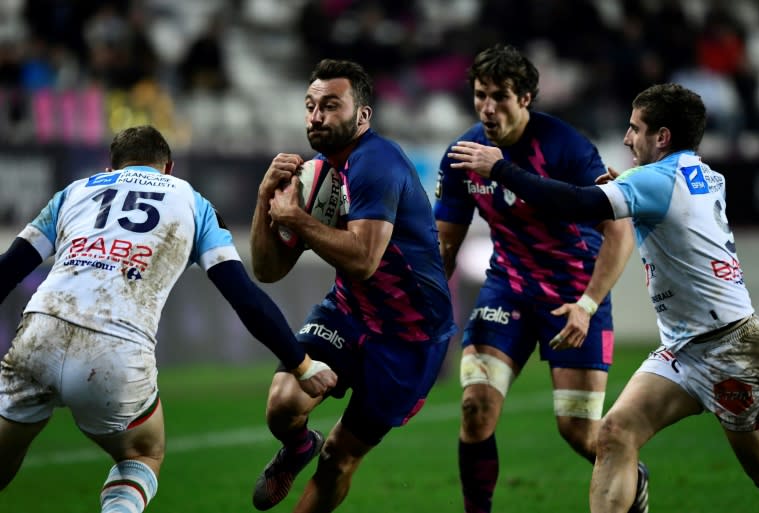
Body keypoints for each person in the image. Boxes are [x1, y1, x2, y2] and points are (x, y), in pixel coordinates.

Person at [446, 82, 759, 512]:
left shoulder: (655, 179)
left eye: (635, 129)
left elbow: (576, 204)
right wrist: (629, 192)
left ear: (663, 137)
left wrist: (502, 170)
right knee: (615, 432)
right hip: (683, 348)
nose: (626, 138)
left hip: (728, 347)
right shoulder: (702, 173)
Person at [0, 125, 337, 513]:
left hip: (38, 332)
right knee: (142, 454)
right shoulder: (191, 201)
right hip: (115, 349)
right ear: (169, 168)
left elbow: (9, 270)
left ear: (112, 167)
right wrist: (302, 364)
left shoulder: (73, 192)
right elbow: (244, 298)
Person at [432, 44, 647, 513]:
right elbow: (444, 245)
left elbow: (620, 231)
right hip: (507, 288)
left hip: (573, 294)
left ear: (526, 98)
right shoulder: (463, 154)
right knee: (475, 409)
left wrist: (589, 305)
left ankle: (632, 478)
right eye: (480, 95)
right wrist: (424, 312)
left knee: (579, 432)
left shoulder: (566, 147)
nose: (488, 108)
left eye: (500, 97)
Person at [249, 58, 456, 513]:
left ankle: (315, 456)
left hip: (409, 338)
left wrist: (297, 219)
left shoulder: (377, 163)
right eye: (310, 105)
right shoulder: (318, 173)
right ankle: (298, 447)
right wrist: (265, 198)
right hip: (348, 313)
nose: (316, 116)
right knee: (283, 404)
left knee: (339, 457)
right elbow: (267, 270)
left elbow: (363, 259)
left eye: (330, 105)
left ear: (362, 116)